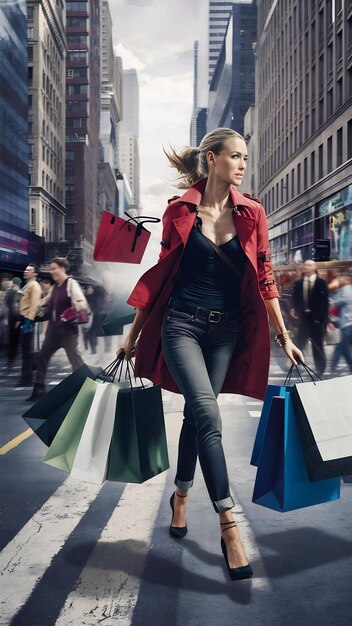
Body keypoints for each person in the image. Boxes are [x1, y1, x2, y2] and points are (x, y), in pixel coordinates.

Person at [116, 128, 303, 581]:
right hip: (181, 323)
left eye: (244, 157)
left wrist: (283, 334)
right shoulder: (179, 209)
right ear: (212, 159)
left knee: (198, 417)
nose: (242, 164)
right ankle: (228, 524)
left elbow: (264, 276)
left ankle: (180, 495)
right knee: (207, 414)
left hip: (227, 331)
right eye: (235, 156)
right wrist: (135, 334)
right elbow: (162, 275)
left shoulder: (252, 212)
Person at [26, 257, 88, 402]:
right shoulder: (55, 287)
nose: (52, 272)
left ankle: (86, 388)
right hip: (53, 333)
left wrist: (72, 309)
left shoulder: (70, 284)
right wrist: (31, 309)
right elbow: (44, 302)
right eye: (51, 269)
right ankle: (38, 390)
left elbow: (82, 304)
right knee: (42, 357)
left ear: (62, 268)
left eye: (54, 268)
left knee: (76, 362)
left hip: (68, 333)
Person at [290, 259, 329, 377]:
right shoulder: (298, 283)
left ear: (314, 268)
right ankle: (296, 365)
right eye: (305, 265)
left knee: (317, 345)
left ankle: (320, 369)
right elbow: (295, 298)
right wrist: (293, 308)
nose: (305, 267)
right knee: (299, 343)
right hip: (303, 319)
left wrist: (320, 318)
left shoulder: (321, 283)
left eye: (308, 265)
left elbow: (324, 302)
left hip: (316, 320)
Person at [17, 264, 42, 387]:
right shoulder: (28, 285)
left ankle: (26, 378)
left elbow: (34, 305)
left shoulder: (34, 286)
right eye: (25, 269)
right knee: (26, 351)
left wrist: (28, 322)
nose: (26, 271)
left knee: (27, 352)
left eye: (29, 270)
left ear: (35, 273)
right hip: (24, 319)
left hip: (28, 320)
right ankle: (27, 375)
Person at [330, 273, 352, 372]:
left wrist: (332, 302)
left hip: (347, 323)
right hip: (347, 322)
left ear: (347, 279)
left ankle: (332, 367)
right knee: (345, 347)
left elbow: (344, 300)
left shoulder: (347, 288)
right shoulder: (346, 289)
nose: (339, 279)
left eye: (341, 278)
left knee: (340, 347)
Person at [5, 277, 22, 368]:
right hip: (14, 318)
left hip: (12, 318)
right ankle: (12, 357)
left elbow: (8, 306)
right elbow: (18, 306)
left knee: (13, 338)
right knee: (14, 338)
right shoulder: (17, 292)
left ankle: (12, 358)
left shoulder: (12, 292)